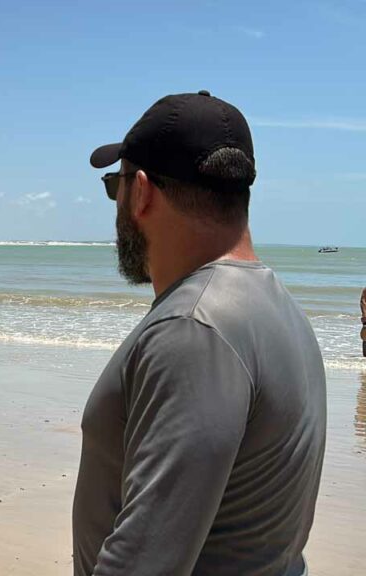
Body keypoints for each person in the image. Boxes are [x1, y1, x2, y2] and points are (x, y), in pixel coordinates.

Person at [74, 91, 325, 576]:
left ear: (141, 191)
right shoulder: (282, 309)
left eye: (115, 185)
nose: (116, 203)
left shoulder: (193, 329)